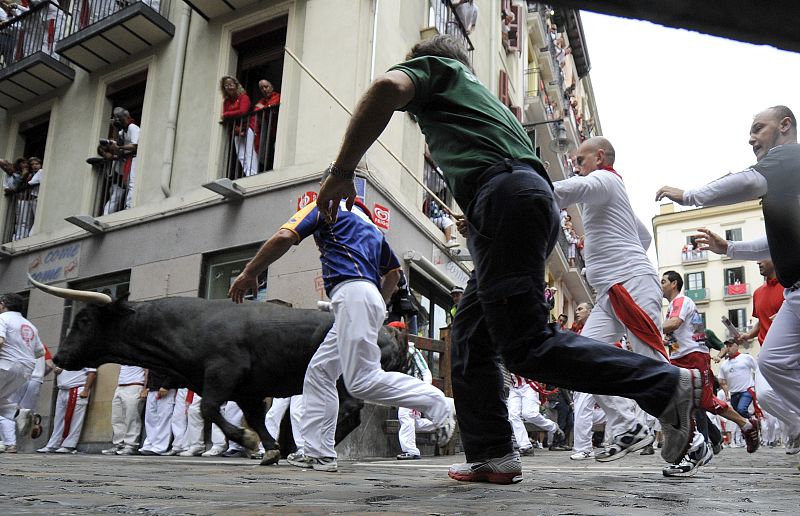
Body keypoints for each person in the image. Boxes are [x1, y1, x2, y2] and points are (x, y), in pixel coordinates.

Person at [313, 35, 700, 484]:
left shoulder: (439, 69)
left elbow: (384, 89)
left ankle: (665, 385)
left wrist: (341, 171)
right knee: (472, 336)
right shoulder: (476, 100)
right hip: (514, 202)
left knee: (525, 344)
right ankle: (494, 453)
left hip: (507, 200)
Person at [228, 170, 456, 473]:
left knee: (361, 381)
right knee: (319, 372)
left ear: (329, 186)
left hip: (353, 296)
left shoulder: (326, 205)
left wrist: (249, 272)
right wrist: (374, 307)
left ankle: (438, 403)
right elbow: (394, 274)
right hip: (366, 299)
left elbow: (284, 236)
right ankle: (318, 452)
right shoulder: (372, 228)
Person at [553, 136, 692, 464]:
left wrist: (518, 185)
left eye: (581, 161)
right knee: (581, 359)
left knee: (652, 363)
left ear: (599, 158)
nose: (577, 167)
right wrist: (618, 255)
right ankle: (629, 426)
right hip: (614, 291)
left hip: (630, 285)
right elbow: (642, 236)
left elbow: (563, 191)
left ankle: (694, 440)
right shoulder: (612, 196)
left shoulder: (604, 179)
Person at [656, 105, 800, 418]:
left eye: (759, 128)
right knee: (772, 362)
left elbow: (747, 182)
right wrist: (729, 249)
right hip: (795, 292)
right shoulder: (786, 174)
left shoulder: (789, 157)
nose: (751, 139)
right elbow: (775, 243)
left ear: (785, 126)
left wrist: (688, 195)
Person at [660, 271, 758, 477]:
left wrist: (649, 325)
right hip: (681, 358)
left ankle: (743, 426)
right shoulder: (674, 305)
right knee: (683, 403)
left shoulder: (681, 300)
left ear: (674, 284)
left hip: (693, 357)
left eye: (663, 281)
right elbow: (675, 335)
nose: (660, 285)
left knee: (703, 402)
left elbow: (675, 324)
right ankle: (693, 450)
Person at [0, 292, 45, 453]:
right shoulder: (30, 326)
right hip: (25, 370)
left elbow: (0, 340)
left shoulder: (2, 319)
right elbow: (39, 352)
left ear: (3, 303)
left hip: (5, 365)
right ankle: (20, 414)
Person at [393, 321, 438, 460]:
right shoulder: (398, 352)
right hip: (406, 392)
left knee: (405, 416)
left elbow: (426, 372)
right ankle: (442, 423)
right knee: (414, 422)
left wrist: (424, 392)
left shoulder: (411, 351)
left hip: (413, 391)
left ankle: (411, 450)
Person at [36, 366, 96, 453]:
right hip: (62, 389)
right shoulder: (65, 356)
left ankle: (68, 445)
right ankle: (53, 444)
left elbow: (92, 373)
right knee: (58, 419)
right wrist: (57, 370)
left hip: (76, 388)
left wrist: (86, 390)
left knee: (73, 419)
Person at [507, 374, 563, 456]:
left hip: (529, 385)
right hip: (513, 387)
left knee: (529, 414)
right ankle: (525, 447)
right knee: (512, 415)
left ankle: (553, 427)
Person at [101, 107, 140, 214]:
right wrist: (114, 127)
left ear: (126, 117)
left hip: (134, 158)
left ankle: (129, 207)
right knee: (127, 185)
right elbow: (116, 142)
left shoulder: (133, 127)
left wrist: (120, 148)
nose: (120, 122)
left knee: (132, 183)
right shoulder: (123, 131)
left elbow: (134, 146)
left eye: (121, 119)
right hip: (127, 160)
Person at [101, 365, 147, 456]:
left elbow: (147, 370)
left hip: (135, 385)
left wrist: (145, 388)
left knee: (132, 417)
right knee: (117, 418)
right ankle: (119, 444)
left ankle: (131, 445)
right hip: (120, 386)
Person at [220, 75, 258, 177]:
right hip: (236, 129)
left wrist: (228, 114)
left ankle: (253, 173)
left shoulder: (243, 97)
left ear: (236, 85)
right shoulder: (226, 102)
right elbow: (225, 115)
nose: (229, 87)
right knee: (241, 154)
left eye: (231, 84)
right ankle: (248, 173)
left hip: (248, 126)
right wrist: (227, 115)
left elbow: (243, 111)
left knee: (249, 151)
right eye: (226, 85)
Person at [139, 370, 178, 456]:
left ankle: (160, 446)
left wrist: (166, 385)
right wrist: (148, 387)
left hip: (166, 388)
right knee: (150, 418)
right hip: (153, 388)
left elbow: (173, 370)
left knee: (164, 418)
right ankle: (149, 444)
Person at [253, 79, 281, 171]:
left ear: (271, 87)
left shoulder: (277, 96)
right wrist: (266, 107)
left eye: (266, 87)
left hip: (277, 129)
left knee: (274, 150)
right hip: (267, 131)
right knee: (267, 151)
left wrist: (264, 107)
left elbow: (272, 107)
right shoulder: (263, 100)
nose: (264, 90)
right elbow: (256, 109)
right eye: (262, 88)